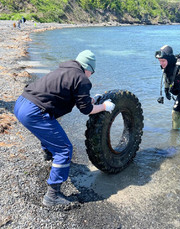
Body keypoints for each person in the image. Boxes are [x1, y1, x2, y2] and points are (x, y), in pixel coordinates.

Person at [14, 50, 115, 206]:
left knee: (50, 125)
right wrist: (104, 106)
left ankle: (48, 154)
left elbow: (75, 97)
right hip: (33, 112)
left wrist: (91, 99)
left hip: (21, 103)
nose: (91, 75)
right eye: (92, 72)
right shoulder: (82, 79)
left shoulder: (64, 69)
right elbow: (86, 110)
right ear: (88, 67)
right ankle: (52, 195)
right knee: (65, 149)